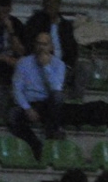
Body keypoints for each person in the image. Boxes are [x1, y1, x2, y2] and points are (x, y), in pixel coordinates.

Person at [6, 31, 65, 161]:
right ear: (34, 45)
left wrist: (46, 67)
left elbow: (56, 88)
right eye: (39, 43)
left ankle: (51, 134)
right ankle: (36, 146)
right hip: (28, 103)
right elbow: (16, 89)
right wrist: (27, 108)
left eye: (45, 44)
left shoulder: (59, 65)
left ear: (51, 47)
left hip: (46, 104)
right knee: (12, 116)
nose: (41, 47)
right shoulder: (23, 63)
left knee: (58, 97)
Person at [21, 0, 83, 99]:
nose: (51, 5)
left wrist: (68, 65)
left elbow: (72, 49)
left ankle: (75, 104)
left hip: (62, 66)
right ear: (44, 3)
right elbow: (29, 47)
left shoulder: (66, 25)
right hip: (42, 64)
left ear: (59, 5)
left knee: (82, 70)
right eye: (48, 1)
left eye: (55, 2)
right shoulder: (34, 22)